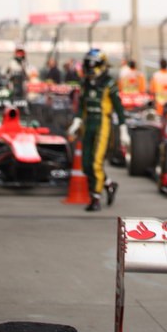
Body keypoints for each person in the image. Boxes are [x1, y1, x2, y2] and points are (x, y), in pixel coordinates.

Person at [68, 49, 126, 212]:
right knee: (86, 165)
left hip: (103, 125)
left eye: (93, 64)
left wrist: (123, 130)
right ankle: (109, 184)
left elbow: (119, 109)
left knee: (96, 163)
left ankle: (95, 198)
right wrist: (76, 122)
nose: (90, 68)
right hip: (88, 125)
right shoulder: (85, 83)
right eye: (88, 64)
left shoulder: (109, 84)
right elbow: (81, 107)